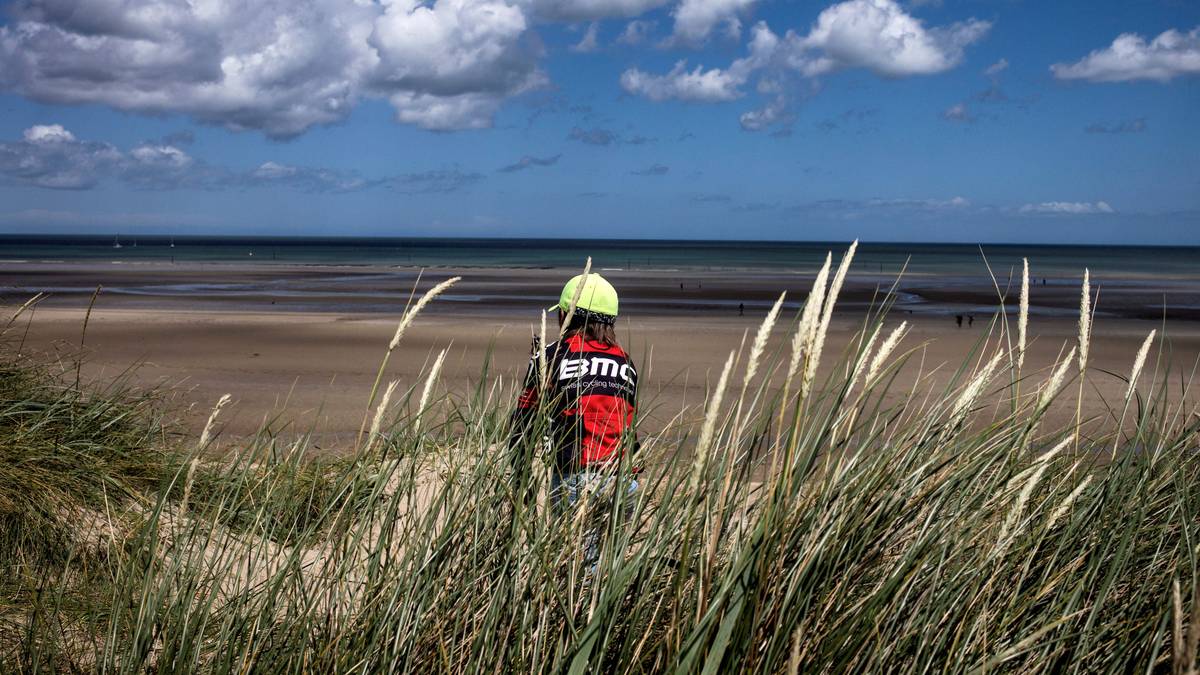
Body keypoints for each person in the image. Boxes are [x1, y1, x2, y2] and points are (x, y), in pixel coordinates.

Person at [509, 272, 640, 570]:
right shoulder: (626, 362)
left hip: (576, 478)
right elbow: (628, 428)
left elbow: (523, 423)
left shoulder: (551, 357)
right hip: (623, 480)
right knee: (610, 569)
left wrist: (520, 479)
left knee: (577, 573)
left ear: (566, 315)